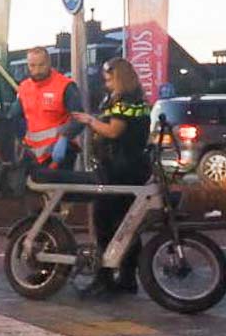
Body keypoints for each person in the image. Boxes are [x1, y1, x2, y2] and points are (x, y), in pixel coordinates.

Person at [70, 59, 153, 295]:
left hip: (118, 170)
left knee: (105, 223)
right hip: (134, 168)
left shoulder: (124, 102)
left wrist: (90, 121)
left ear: (120, 78)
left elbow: (114, 131)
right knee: (127, 225)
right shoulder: (138, 100)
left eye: (109, 80)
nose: (107, 85)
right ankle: (127, 277)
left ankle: (105, 277)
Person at [15, 46, 83, 174]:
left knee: (58, 186)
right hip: (33, 154)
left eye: (41, 65)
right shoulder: (24, 87)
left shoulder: (65, 86)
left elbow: (79, 118)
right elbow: (15, 116)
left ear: (49, 63)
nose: (37, 70)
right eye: (32, 66)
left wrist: (64, 137)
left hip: (59, 152)